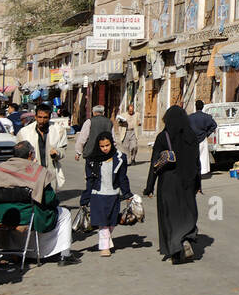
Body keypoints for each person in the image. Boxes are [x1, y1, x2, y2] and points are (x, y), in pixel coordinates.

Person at [0, 141, 80, 266]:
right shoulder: (38, 171)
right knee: (64, 213)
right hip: (29, 217)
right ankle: (65, 255)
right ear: (30, 154)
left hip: (1, 217)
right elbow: (49, 199)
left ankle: (15, 252)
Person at [142, 106, 202, 263]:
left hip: (168, 182)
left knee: (169, 217)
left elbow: (154, 164)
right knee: (186, 213)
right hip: (188, 182)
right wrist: (197, 184)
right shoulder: (192, 136)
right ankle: (186, 238)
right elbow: (197, 163)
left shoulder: (163, 137)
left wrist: (149, 187)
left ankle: (175, 252)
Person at [84, 133, 131, 257]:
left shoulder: (120, 158)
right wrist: (86, 197)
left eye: (107, 145)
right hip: (98, 194)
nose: (105, 148)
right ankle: (104, 248)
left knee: (112, 221)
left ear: (112, 144)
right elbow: (90, 179)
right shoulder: (92, 159)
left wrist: (127, 194)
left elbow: (122, 178)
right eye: (102, 146)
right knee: (103, 222)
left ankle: (106, 241)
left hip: (114, 194)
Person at [16, 103, 66, 178]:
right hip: (31, 173)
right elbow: (18, 153)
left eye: (45, 118)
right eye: (39, 117)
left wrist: (57, 153)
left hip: (50, 173)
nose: (42, 121)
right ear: (35, 117)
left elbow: (63, 149)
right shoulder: (24, 132)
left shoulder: (58, 130)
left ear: (49, 117)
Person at [188, 100, 218, 179]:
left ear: (195, 106)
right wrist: (207, 133)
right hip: (203, 138)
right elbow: (214, 125)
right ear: (203, 107)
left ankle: (193, 172)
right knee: (203, 156)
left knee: (193, 156)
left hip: (193, 139)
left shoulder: (190, 117)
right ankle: (203, 172)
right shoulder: (207, 117)